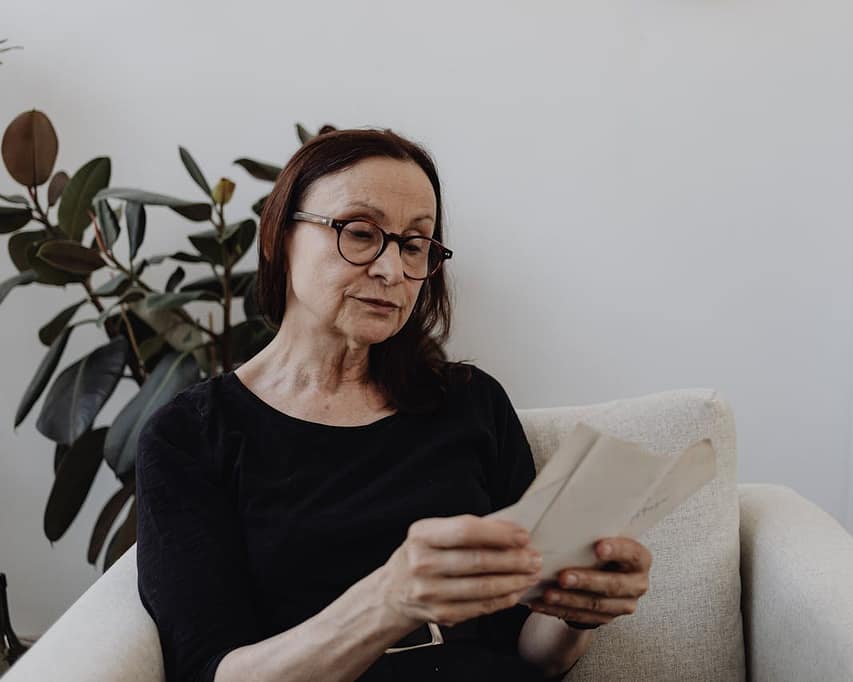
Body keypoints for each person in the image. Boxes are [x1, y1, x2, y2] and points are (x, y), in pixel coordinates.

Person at [134, 128, 653, 682]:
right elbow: (211, 673)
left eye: (413, 245)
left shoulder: (471, 403)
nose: (392, 271)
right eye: (360, 233)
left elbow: (529, 655)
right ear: (279, 236)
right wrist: (389, 601)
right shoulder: (191, 436)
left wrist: (575, 609)